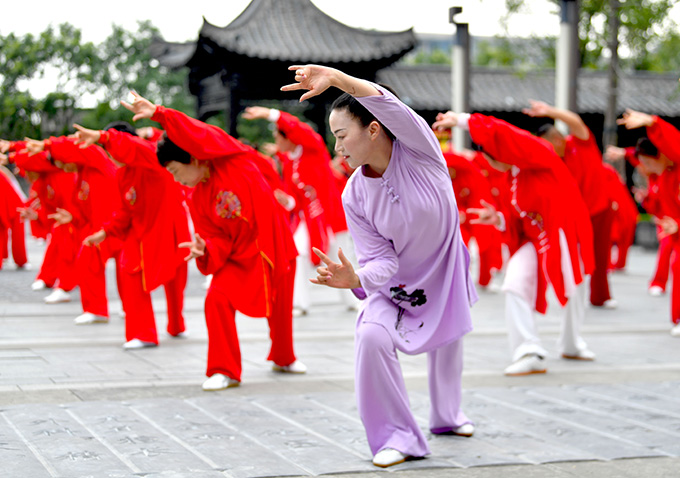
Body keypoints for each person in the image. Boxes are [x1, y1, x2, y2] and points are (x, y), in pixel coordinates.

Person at [281, 65, 477, 468]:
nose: (337, 148)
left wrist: (337, 79)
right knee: (371, 336)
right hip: (396, 284)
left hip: (443, 270)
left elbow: (387, 105)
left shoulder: (421, 151)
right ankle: (396, 436)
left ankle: (448, 416)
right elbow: (381, 260)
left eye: (341, 136)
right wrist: (356, 278)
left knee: (446, 342)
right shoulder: (354, 193)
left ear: (373, 130)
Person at [119, 91, 306, 389]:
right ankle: (224, 369)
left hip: (273, 244)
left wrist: (160, 114)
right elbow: (215, 237)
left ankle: (284, 357)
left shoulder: (232, 159)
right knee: (216, 298)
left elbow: (203, 133)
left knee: (281, 308)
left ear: (193, 157)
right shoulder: (196, 196)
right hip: (239, 256)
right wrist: (205, 249)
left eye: (178, 172)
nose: (178, 180)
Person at [433, 110, 596, 377]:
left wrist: (464, 120)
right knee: (514, 284)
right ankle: (528, 350)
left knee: (574, 286)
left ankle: (571, 343)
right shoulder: (514, 176)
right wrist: (497, 218)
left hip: (564, 231)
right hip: (536, 240)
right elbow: (514, 219)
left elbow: (507, 134)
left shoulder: (539, 154)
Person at [72, 121, 191, 350]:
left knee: (176, 281)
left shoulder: (151, 159)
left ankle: (176, 324)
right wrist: (105, 232)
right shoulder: (122, 175)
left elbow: (140, 147)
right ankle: (143, 333)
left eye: (114, 150)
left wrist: (104, 135)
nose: (112, 156)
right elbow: (124, 210)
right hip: (140, 232)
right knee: (129, 270)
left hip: (170, 229)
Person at [242, 106, 358, 314]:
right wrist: (286, 201)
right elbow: (294, 197)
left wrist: (269, 114)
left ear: (289, 138)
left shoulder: (313, 148)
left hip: (330, 215)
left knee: (341, 257)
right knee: (298, 253)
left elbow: (298, 128)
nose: (276, 141)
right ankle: (300, 302)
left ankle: (355, 299)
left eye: (278, 136)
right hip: (310, 219)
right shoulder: (289, 161)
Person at [523, 100, 616, 309]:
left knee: (600, 257)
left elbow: (576, 122)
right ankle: (569, 292)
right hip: (575, 215)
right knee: (570, 255)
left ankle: (600, 297)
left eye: (547, 145)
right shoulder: (552, 161)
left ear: (557, 139)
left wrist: (549, 111)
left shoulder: (580, 143)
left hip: (599, 207)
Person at [25, 136, 125, 324]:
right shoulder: (81, 176)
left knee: (126, 272)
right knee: (86, 260)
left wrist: (48, 144)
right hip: (100, 231)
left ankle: (123, 308)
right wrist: (72, 218)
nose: (63, 168)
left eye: (63, 162)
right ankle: (97, 310)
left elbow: (83, 148)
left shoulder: (97, 162)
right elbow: (84, 210)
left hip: (118, 225)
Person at [616, 109, 680, 336]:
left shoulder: (675, 168)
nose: (644, 167)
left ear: (661, 155)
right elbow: (661, 208)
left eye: (646, 162)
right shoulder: (661, 179)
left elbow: (675, 144)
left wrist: (653, 122)